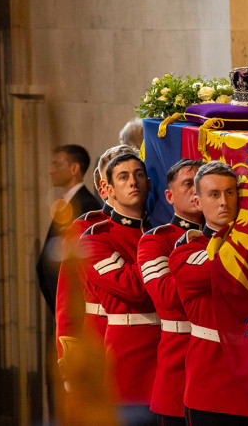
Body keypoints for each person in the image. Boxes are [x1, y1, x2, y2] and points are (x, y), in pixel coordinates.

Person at [168, 160, 248, 425]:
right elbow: (230, 269)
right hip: (215, 390)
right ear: (198, 202)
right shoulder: (185, 253)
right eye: (214, 194)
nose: (224, 202)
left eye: (230, 193)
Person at [80, 152, 159, 425]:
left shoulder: (162, 232)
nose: (133, 182)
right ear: (107, 190)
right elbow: (132, 288)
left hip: (170, 347)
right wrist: (161, 257)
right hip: (129, 351)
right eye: (123, 177)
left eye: (138, 175)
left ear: (149, 183)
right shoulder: (95, 238)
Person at [55, 144, 138, 376]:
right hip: (101, 339)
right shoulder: (85, 230)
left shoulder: (151, 228)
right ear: (104, 188)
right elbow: (67, 304)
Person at [136, 159, 204, 425]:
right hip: (179, 368)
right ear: (169, 196)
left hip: (221, 370)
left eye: (201, 184)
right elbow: (166, 297)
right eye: (188, 184)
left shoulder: (227, 237)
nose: (196, 191)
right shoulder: (155, 240)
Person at [37, 144, 101, 313]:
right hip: (61, 304)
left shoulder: (86, 206)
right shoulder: (66, 203)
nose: (51, 170)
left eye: (57, 164)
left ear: (74, 168)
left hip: (74, 307)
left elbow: (80, 266)